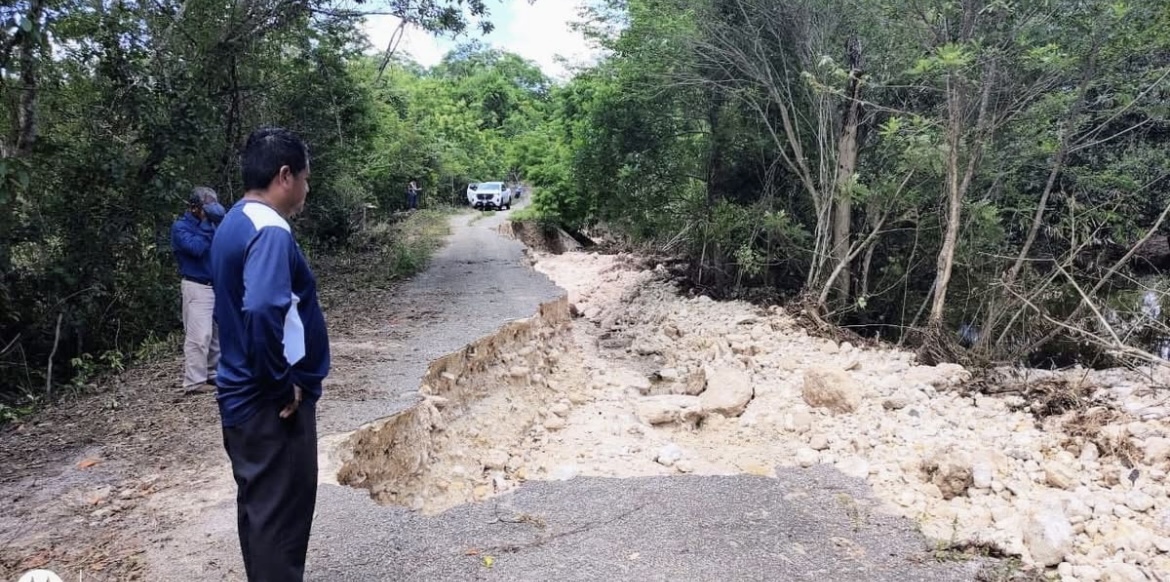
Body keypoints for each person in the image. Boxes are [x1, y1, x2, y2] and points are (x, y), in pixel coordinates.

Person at [210, 127, 330, 582]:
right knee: (282, 524)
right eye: (305, 177)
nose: (307, 188)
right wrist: (282, 385)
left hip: (242, 399)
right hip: (271, 407)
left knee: (262, 514)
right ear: (285, 176)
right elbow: (262, 308)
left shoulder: (234, 222)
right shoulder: (271, 230)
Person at [171, 186, 225, 395]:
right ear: (194, 207)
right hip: (196, 285)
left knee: (216, 334)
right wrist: (206, 224)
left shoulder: (214, 225)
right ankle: (194, 381)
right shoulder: (181, 227)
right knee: (199, 335)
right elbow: (196, 248)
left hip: (215, 284)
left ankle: (213, 373)